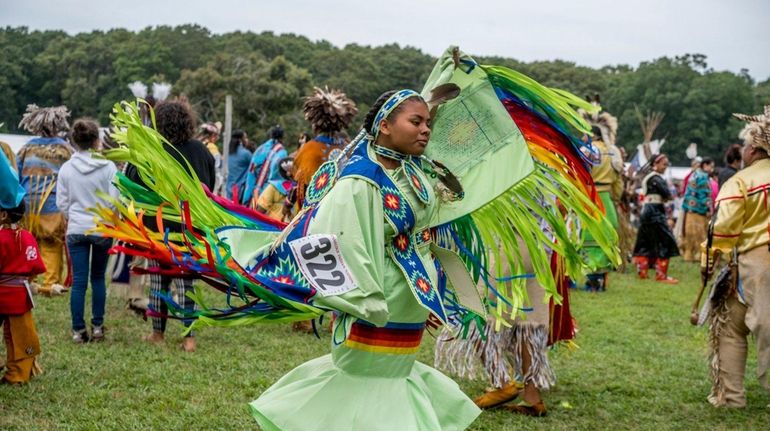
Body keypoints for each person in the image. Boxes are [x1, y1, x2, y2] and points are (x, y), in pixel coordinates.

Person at [125, 98, 215, 352]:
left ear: (158, 124)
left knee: (159, 281)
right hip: (190, 229)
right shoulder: (201, 151)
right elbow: (210, 186)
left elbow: (131, 181)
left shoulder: (151, 151)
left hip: (158, 228)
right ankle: (189, 338)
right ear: (188, 122)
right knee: (186, 284)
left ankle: (158, 333)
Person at [701, 106, 770, 407]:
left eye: (744, 145)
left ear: (754, 148)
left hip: (755, 265)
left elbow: (723, 230)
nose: (742, 150)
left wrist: (708, 261)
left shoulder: (741, 181)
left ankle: (731, 396)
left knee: (730, 327)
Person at [56, 119, 119, 343]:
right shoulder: (109, 167)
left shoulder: (66, 168)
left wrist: (73, 215)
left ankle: (77, 330)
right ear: (96, 140)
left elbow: (62, 202)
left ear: (74, 141)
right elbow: (115, 199)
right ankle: (98, 326)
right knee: (99, 278)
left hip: (76, 228)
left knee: (79, 281)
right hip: (101, 227)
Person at [15, 105, 74, 296]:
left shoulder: (26, 149)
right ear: (58, 125)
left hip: (27, 204)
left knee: (28, 243)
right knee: (51, 243)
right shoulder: (66, 150)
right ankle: (50, 283)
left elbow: (15, 173)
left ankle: (28, 280)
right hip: (53, 204)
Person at [0, 150, 45, 384]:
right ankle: (18, 373)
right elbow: (36, 264)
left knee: (13, 334)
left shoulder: (1, 238)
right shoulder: (26, 236)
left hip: (3, 292)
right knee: (20, 335)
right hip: (19, 294)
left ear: (4, 213)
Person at [581, 121, 622, 290]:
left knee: (586, 237)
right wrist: (617, 198)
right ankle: (601, 278)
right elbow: (618, 181)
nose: (581, 138)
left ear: (591, 135)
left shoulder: (585, 150)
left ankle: (590, 279)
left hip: (589, 197)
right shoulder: (612, 153)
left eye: (584, 134)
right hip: (606, 199)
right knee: (605, 237)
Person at [632, 154, 680, 283]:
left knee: (644, 240)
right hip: (655, 211)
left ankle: (642, 272)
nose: (665, 167)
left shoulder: (649, 178)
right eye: (664, 164)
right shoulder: (656, 178)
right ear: (655, 164)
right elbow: (668, 194)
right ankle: (661, 275)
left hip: (646, 210)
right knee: (665, 240)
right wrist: (667, 196)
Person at [242, 126, 288, 208]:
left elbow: (251, 172)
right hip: (267, 194)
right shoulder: (282, 153)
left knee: (250, 217)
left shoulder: (260, 149)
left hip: (253, 192)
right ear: (282, 137)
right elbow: (277, 177)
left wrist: (247, 195)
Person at [681, 157, 715, 262]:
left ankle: (688, 256)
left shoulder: (694, 174)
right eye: (711, 166)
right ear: (705, 165)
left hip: (689, 210)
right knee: (701, 235)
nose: (712, 169)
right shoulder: (703, 177)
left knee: (690, 235)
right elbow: (704, 195)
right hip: (699, 211)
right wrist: (709, 209)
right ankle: (700, 256)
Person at [254, 157, 295, 221]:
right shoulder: (302, 188)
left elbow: (261, 209)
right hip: (295, 225)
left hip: (273, 224)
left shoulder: (273, 187)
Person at [225, 129, 252, 201]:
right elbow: (255, 167)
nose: (247, 140)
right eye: (245, 138)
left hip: (229, 190)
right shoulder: (246, 154)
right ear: (240, 140)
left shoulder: (230, 153)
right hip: (240, 192)